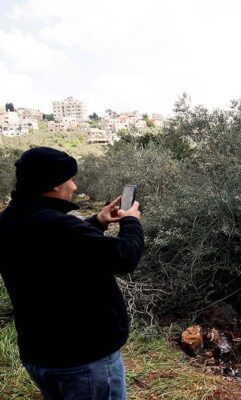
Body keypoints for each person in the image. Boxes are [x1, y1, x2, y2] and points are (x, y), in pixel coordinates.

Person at [0, 147, 144, 399]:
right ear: (54, 185)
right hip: (83, 360)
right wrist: (131, 221)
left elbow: (53, 250)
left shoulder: (9, 220)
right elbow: (125, 257)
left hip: (42, 355)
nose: (75, 186)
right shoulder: (59, 226)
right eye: (71, 179)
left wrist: (97, 221)